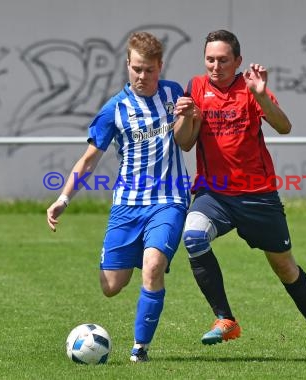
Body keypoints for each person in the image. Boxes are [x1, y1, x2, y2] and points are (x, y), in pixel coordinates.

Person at [177, 29, 306, 360]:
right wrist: (184, 118)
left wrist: (262, 95)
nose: (216, 66)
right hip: (214, 194)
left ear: (237, 61)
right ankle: (226, 318)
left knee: (286, 269)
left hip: (258, 197)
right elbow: (184, 142)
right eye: (210, 59)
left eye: (223, 60)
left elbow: (284, 127)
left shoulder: (251, 89)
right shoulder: (196, 87)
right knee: (193, 236)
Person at [46, 31, 196, 363]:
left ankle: (139, 349)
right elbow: (88, 160)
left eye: (150, 70)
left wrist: (186, 117)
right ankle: (139, 251)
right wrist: (63, 199)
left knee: (153, 267)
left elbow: (186, 141)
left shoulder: (175, 95)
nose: (143, 77)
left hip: (168, 201)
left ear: (161, 67)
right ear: (128, 64)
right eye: (137, 69)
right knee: (111, 286)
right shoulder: (114, 109)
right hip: (127, 206)